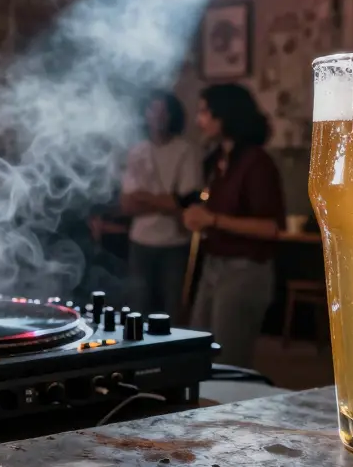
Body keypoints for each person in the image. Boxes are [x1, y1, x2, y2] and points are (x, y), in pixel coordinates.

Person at [182, 84, 285, 370]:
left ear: (224, 115)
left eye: (204, 112)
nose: (198, 120)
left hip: (245, 269)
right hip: (214, 264)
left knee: (228, 358)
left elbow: (270, 228)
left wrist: (212, 220)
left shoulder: (257, 162)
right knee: (196, 346)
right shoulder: (217, 161)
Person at [120, 91, 202, 317]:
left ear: (172, 115)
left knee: (173, 309)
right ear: (145, 115)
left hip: (174, 242)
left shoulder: (185, 150)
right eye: (152, 110)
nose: (158, 116)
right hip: (140, 241)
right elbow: (127, 205)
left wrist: (144, 197)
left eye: (164, 111)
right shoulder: (137, 151)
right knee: (138, 308)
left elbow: (186, 203)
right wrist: (167, 201)